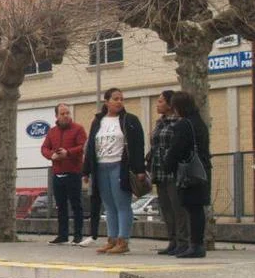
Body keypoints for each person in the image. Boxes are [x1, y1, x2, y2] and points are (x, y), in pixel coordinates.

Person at [82, 87, 146, 255]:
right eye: (115, 99)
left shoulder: (129, 120)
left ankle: (123, 240)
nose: (119, 102)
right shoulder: (98, 121)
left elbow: (138, 145)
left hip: (119, 166)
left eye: (121, 99)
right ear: (106, 102)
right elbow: (91, 146)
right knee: (109, 205)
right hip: (101, 166)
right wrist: (86, 170)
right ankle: (112, 239)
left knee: (122, 203)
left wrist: (139, 169)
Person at [164, 91, 211, 258]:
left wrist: (167, 165)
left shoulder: (183, 125)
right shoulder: (200, 123)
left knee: (192, 209)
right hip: (202, 170)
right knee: (197, 209)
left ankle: (195, 245)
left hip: (189, 172)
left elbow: (176, 149)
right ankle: (197, 243)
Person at [147, 90, 188, 256]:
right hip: (159, 170)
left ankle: (183, 241)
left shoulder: (178, 122)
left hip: (173, 171)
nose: (157, 104)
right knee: (166, 208)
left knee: (178, 207)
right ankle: (172, 240)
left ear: (170, 104)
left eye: (160, 101)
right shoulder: (160, 123)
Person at [40, 103, 88, 246]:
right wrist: (51, 155)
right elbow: (44, 148)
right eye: (62, 113)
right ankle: (62, 235)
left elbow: (83, 146)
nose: (66, 116)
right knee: (60, 206)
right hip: (57, 173)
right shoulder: (52, 132)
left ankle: (78, 235)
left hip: (73, 172)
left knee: (76, 205)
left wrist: (68, 153)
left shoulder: (78, 129)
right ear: (57, 116)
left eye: (67, 113)